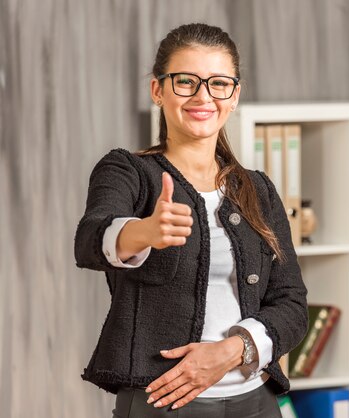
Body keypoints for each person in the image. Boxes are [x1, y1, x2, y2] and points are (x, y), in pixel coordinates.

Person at [74, 23, 308, 417]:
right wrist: (143, 231)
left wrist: (233, 350)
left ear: (234, 96)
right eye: (186, 81)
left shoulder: (258, 190)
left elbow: (292, 304)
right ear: (158, 90)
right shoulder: (127, 170)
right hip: (164, 403)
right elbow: (90, 238)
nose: (203, 96)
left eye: (218, 84)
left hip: (258, 402)